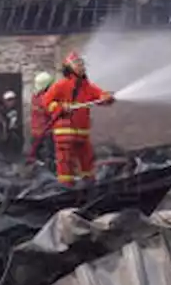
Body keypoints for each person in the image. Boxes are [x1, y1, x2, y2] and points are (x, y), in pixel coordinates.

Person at [41, 52, 116, 185]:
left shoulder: (87, 87)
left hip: (82, 132)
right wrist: (60, 107)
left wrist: (107, 98)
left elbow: (99, 96)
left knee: (86, 158)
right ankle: (65, 187)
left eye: (82, 64)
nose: (81, 67)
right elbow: (47, 102)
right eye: (77, 64)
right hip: (65, 131)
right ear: (69, 68)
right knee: (65, 160)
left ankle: (88, 183)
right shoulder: (61, 85)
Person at [29, 71, 55, 166]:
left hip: (36, 130)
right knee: (50, 155)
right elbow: (52, 111)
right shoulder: (46, 98)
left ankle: (36, 167)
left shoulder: (35, 97)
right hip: (46, 131)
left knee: (35, 154)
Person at [1, 91, 24, 157]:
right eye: (9, 100)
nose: (11, 102)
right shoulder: (2, 111)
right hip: (7, 131)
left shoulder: (18, 109)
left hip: (16, 131)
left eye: (12, 100)